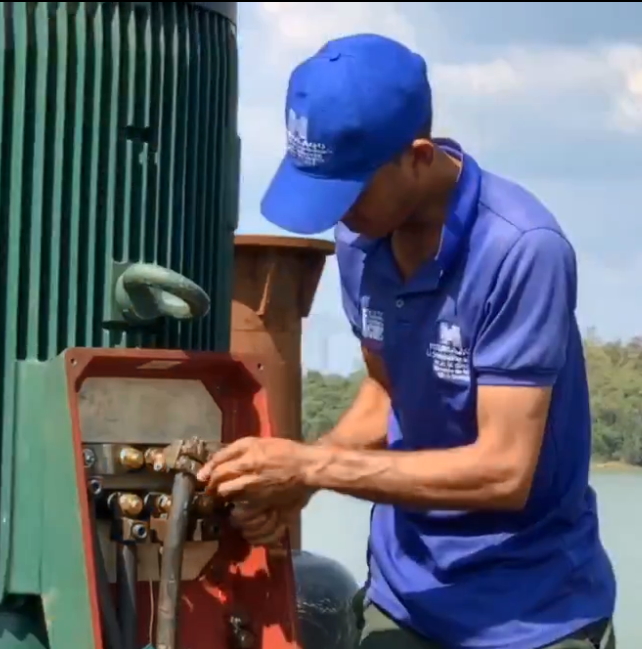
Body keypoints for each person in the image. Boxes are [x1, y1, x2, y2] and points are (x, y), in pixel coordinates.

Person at [197, 33, 617, 649]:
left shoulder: (522, 250)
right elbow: (386, 389)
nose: (338, 214)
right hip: (406, 601)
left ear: (418, 156)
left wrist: (313, 463)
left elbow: (505, 470)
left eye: (350, 191)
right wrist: (300, 483)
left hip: (531, 613)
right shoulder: (362, 242)